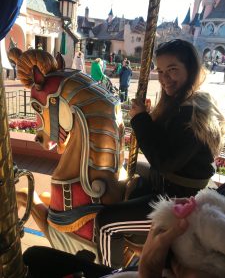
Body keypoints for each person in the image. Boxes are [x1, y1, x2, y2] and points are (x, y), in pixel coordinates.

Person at [95, 39, 225, 269]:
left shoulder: (194, 113)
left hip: (181, 198)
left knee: (105, 221)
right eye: (161, 71)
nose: (165, 78)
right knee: (129, 176)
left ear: (191, 70)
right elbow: (167, 146)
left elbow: (164, 160)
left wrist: (140, 120)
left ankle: (108, 271)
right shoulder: (185, 103)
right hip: (178, 184)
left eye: (173, 70)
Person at [23, 185, 225, 278]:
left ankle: (110, 262)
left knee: (105, 223)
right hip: (175, 203)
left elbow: (166, 158)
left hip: (174, 199)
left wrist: (148, 269)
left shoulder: (188, 116)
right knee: (34, 257)